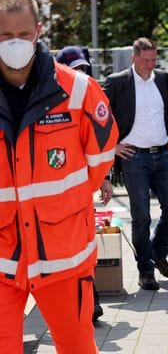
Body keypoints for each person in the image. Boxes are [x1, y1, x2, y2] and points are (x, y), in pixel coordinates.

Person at [0, 0, 118, 351]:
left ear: (38, 31)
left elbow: (100, 160)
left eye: (23, 33)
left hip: (63, 256)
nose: (15, 42)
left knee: (76, 346)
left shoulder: (79, 91)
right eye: (5, 35)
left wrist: (60, 205)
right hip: (2, 256)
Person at [103, 37, 168, 291]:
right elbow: (99, 116)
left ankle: (158, 253)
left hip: (162, 154)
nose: (150, 65)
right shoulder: (118, 82)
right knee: (142, 217)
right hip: (133, 157)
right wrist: (112, 147)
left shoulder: (161, 77)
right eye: (145, 60)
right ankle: (146, 270)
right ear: (133, 58)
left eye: (153, 60)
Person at [55, 44, 113, 322]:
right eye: (74, 68)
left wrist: (102, 180)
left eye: (84, 68)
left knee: (85, 248)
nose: (80, 73)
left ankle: (92, 303)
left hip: (80, 193)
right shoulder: (50, 99)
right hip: (53, 199)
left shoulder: (89, 95)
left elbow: (99, 145)